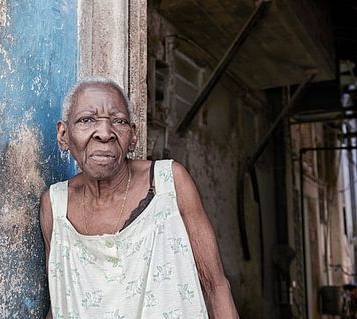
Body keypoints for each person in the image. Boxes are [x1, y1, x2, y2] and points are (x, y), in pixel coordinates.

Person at [40, 76, 238, 318]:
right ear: (63, 135)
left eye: (119, 121)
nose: (104, 133)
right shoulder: (55, 205)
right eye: (86, 120)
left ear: (132, 135)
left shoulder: (169, 184)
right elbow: (59, 302)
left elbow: (215, 286)